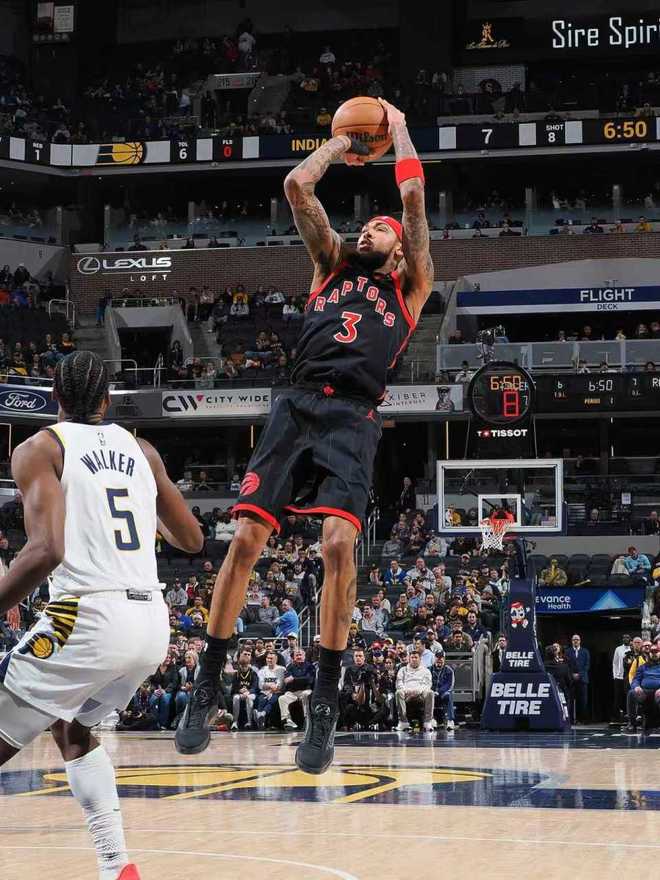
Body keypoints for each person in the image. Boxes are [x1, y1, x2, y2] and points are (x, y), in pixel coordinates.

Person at [175, 98, 433, 775]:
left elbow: (411, 198)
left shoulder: (410, 288)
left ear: (397, 249)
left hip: (353, 416)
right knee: (245, 540)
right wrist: (343, 143)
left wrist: (398, 128)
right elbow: (297, 185)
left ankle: (323, 700)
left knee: (340, 545)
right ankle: (208, 681)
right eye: (365, 226)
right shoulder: (329, 265)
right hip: (295, 403)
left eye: (378, 228)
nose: (368, 230)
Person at [0, 351, 203, 880]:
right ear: (107, 400)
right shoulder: (142, 450)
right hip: (150, 623)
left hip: (87, 616)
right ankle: (116, 868)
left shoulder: (40, 448)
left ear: (54, 396)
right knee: (72, 727)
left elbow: (45, 551)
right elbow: (191, 539)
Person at [395, 650, 434, 732]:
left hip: (420, 695)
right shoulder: (402, 670)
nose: (414, 659)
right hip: (406, 695)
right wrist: (407, 691)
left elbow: (427, 685)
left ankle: (427, 722)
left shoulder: (426, 671)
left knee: (430, 692)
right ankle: (403, 722)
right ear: (409, 659)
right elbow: (399, 683)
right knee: (398, 692)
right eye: (412, 657)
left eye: (416, 657)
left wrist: (417, 692)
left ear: (420, 659)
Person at [278, 647, 316, 731]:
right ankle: (288, 720)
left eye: (300, 655)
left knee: (306, 695)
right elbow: (287, 680)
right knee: (282, 698)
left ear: (304, 656)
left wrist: (294, 679)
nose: (299, 657)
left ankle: (307, 719)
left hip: (305, 690)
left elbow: (309, 679)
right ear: (293, 657)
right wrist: (300, 679)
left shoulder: (310, 666)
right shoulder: (290, 666)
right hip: (293, 692)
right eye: (297, 655)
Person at [627, 642, 660, 731]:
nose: (654, 654)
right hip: (644, 692)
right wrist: (636, 687)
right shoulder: (642, 667)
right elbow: (635, 680)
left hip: (658, 691)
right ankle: (632, 724)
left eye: (656, 652)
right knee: (631, 693)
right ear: (649, 654)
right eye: (652, 652)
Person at [254, 650, 285, 728]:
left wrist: (270, 689)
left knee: (273, 698)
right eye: (268, 658)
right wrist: (270, 687)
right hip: (264, 692)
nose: (269, 660)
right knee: (261, 700)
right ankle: (261, 721)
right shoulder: (262, 670)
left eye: (271, 658)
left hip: (277, 692)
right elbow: (260, 685)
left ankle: (261, 714)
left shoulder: (281, 669)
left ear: (276, 659)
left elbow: (280, 685)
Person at [230, 648, 259, 730]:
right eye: (245, 654)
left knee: (249, 698)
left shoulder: (253, 673)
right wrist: (239, 691)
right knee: (236, 698)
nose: (246, 656)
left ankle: (249, 722)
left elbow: (255, 687)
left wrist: (248, 692)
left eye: (248, 655)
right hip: (239, 694)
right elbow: (234, 688)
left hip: (250, 694)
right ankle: (235, 722)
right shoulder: (236, 673)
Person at [567, 633, 590, 723]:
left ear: (580, 641)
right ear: (572, 641)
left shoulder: (585, 651)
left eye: (577, 639)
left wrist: (579, 674)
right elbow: (567, 665)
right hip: (571, 679)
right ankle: (571, 720)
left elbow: (587, 665)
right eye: (574, 639)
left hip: (583, 679)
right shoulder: (568, 651)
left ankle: (583, 719)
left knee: (583, 700)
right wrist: (572, 674)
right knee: (571, 700)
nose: (575, 641)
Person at [431, 652, 455, 730]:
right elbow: (426, 682)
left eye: (441, 658)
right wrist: (432, 691)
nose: (439, 659)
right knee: (428, 695)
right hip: (432, 692)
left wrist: (439, 691)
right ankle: (431, 719)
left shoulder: (449, 670)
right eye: (437, 658)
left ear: (444, 659)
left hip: (442, 693)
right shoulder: (429, 669)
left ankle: (450, 720)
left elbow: (449, 685)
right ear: (434, 659)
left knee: (448, 695)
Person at [612, 634, 631, 721]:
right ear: (622, 639)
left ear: (630, 639)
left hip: (628, 677)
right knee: (617, 697)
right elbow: (615, 663)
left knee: (627, 696)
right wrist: (615, 675)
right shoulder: (618, 649)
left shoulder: (632, 649)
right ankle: (616, 717)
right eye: (624, 637)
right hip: (619, 677)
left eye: (627, 637)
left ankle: (628, 715)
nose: (625, 639)